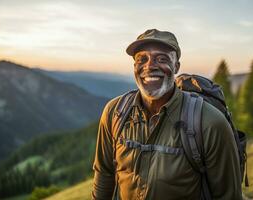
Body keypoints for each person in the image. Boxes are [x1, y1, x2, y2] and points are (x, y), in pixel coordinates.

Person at [92, 29, 242, 200]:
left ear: (176, 66)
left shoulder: (209, 122)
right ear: (134, 66)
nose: (150, 66)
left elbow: (228, 195)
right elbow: (104, 174)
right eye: (142, 59)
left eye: (162, 58)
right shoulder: (115, 112)